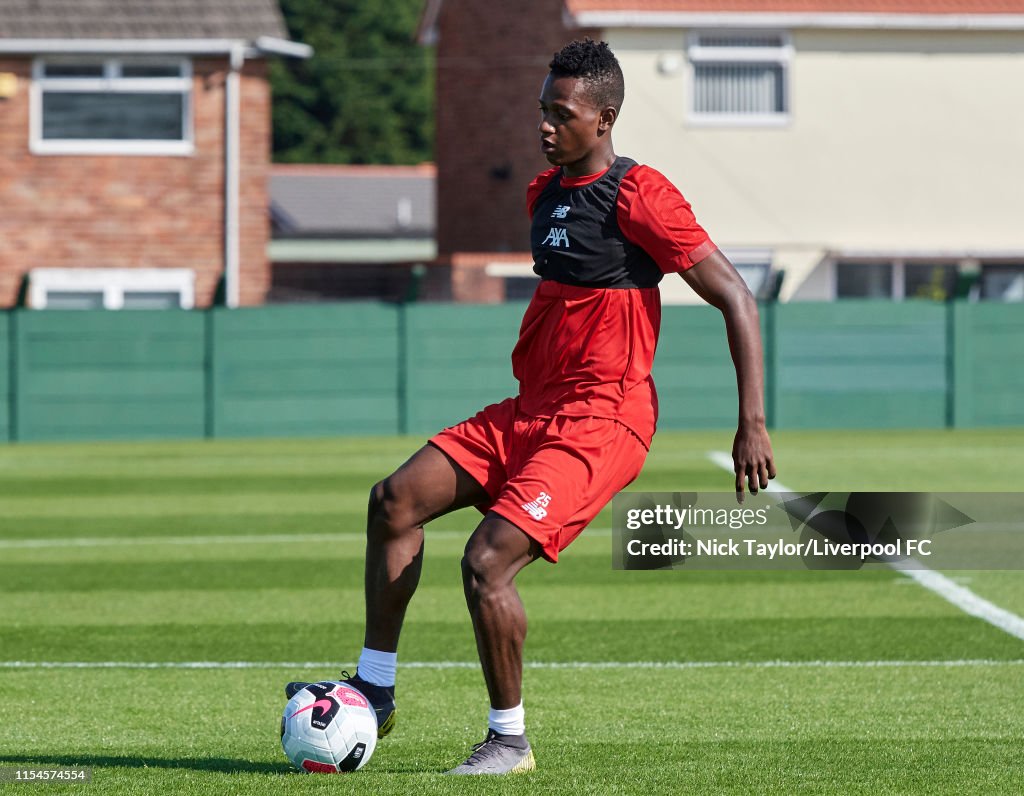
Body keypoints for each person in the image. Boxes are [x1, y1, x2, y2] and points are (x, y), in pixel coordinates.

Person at [287, 37, 776, 775]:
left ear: (604, 119)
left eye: (562, 113)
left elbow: (736, 296)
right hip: (529, 412)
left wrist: (752, 423)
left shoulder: (644, 195)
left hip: (603, 421)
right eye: (541, 110)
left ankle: (508, 741)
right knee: (393, 501)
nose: (544, 126)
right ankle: (374, 691)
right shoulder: (543, 192)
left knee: (488, 562)